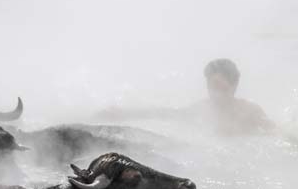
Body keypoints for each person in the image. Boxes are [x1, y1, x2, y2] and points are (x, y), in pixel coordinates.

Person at [95, 58, 275, 136]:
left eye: (221, 88)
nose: (215, 94)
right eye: (211, 87)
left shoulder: (250, 111)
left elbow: (277, 134)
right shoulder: (202, 110)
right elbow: (164, 114)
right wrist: (125, 114)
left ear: (235, 85)